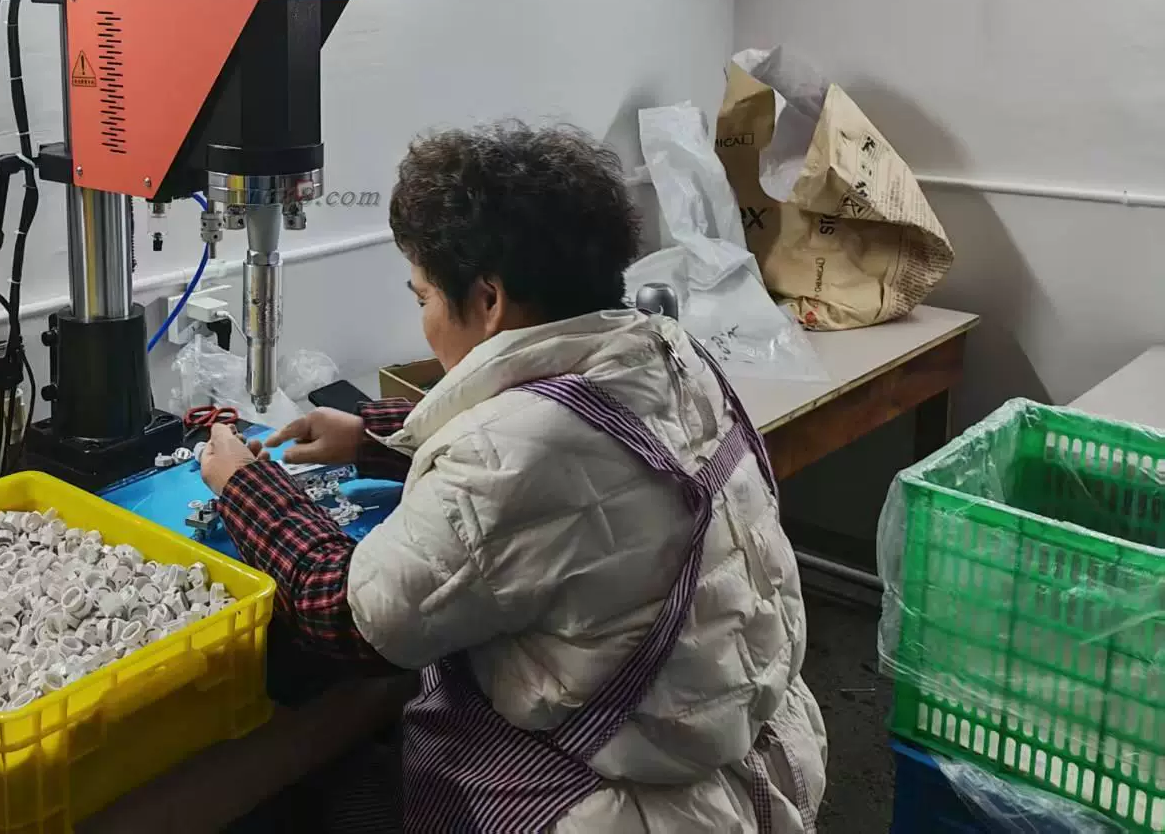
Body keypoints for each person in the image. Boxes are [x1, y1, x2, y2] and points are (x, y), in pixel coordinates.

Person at [199, 121, 827, 832]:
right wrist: (374, 435)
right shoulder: (666, 351)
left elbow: (348, 615)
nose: (424, 318)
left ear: (489, 300)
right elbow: (576, 457)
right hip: (757, 743)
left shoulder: (523, 451)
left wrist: (245, 488)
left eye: (423, 298)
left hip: (627, 801)